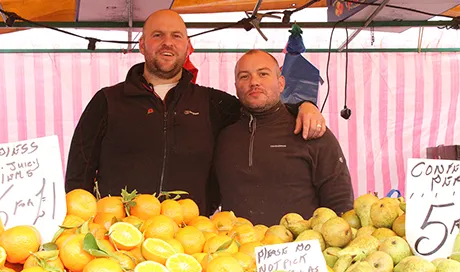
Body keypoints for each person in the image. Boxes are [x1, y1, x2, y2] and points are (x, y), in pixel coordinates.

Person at [65, 10, 326, 215]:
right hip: (121, 238)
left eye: (176, 36)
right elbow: (79, 171)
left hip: (191, 239)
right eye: (158, 35)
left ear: (188, 47)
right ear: (142, 45)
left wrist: (303, 105)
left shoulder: (211, 102)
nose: (168, 43)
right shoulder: (108, 101)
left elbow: (259, 107)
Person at [212, 50, 354, 225]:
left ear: (281, 83)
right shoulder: (224, 136)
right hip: (237, 249)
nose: (254, 82)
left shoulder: (309, 129)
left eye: (263, 74)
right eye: (244, 76)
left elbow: (340, 201)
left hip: (299, 249)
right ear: (236, 86)